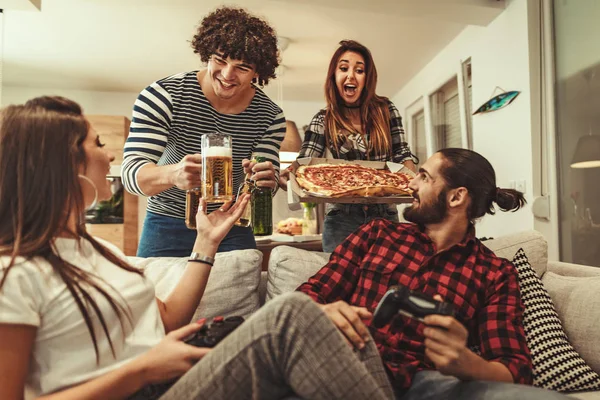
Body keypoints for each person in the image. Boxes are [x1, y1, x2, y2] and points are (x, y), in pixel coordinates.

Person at [0, 96, 397, 400]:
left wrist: (207, 240)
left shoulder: (99, 252)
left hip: (169, 375)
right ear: (62, 164)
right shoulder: (14, 273)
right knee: (293, 311)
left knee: (340, 324)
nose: (109, 154)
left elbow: (170, 320)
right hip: (140, 389)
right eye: (98, 143)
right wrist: (140, 370)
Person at [297, 148, 569, 399]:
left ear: (456, 196)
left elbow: (515, 369)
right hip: (349, 362)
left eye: (424, 177)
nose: (410, 184)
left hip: (422, 383)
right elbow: (307, 296)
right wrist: (323, 312)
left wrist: (465, 363)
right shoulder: (377, 234)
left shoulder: (494, 273)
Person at [122, 6, 286, 257]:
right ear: (206, 54)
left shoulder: (270, 116)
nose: (227, 75)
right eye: (220, 60)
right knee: (158, 295)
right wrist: (173, 174)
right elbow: (130, 173)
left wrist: (265, 180)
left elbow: (267, 184)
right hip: (167, 223)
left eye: (242, 67)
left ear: (258, 72)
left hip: (232, 224)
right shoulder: (163, 96)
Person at [279, 39, 417, 253]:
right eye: (343, 68)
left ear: (367, 78)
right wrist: (287, 178)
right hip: (342, 218)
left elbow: (401, 154)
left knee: (383, 281)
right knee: (340, 282)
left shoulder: (386, 110)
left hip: (385, 215)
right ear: (334, 76)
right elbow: (304, 165)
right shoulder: (323, 119)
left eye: (359, 70)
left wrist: (415, 185)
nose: (351, 75)